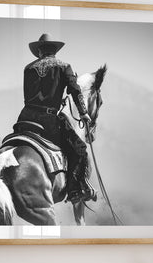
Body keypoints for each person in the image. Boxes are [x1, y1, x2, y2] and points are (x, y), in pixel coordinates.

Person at [13, 33, 96, 204]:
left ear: (39, 51)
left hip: (25, 118)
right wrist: (83, 113)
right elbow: (75, 91)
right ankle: (74, 190)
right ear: (55, 50)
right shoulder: (64, 66)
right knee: (79, 149)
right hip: (49, 120)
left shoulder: (28, 68)